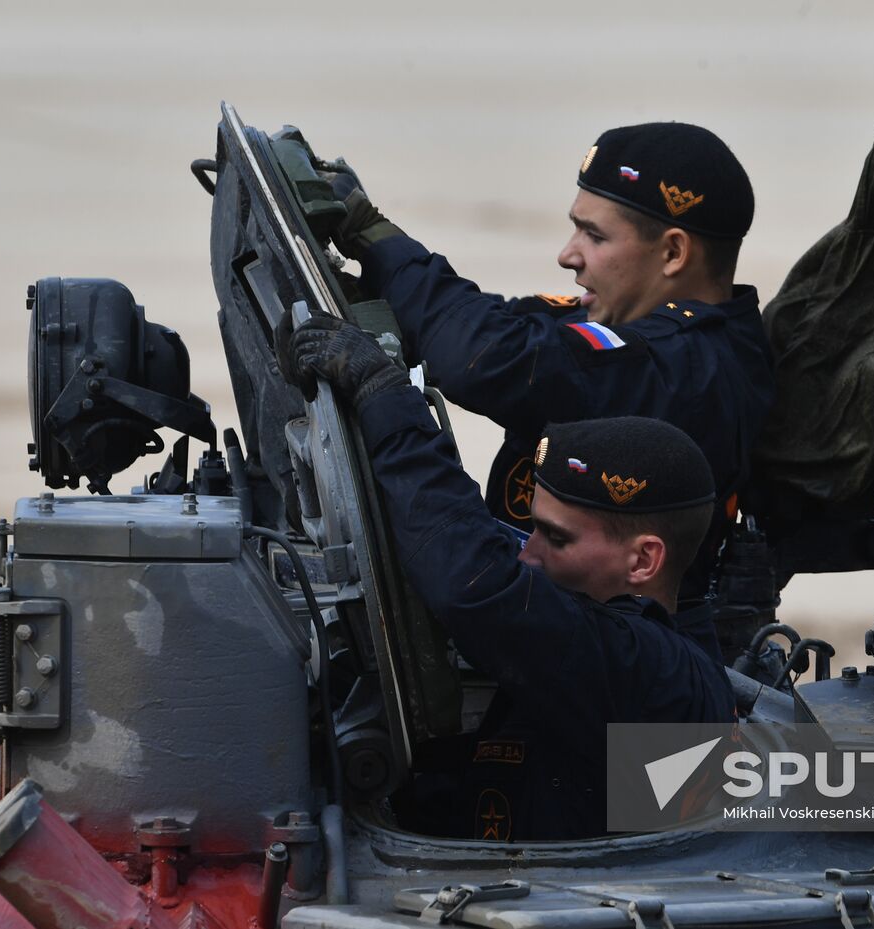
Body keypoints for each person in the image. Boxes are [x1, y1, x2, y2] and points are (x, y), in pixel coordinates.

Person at [277, 312, 735, 840]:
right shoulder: (589, 659)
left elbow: (476, 583)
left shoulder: (659, 676)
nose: (527, 555)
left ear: (643, 561)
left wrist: (386, 397)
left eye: (556, 538)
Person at [315, 122, 774, 605]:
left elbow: (483, 358)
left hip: (593, 659)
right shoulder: (647, 329)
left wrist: (374, 237)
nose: (567, 255)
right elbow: (484, 325)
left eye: (594, 236)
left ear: (674, 252)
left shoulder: (688, 368)